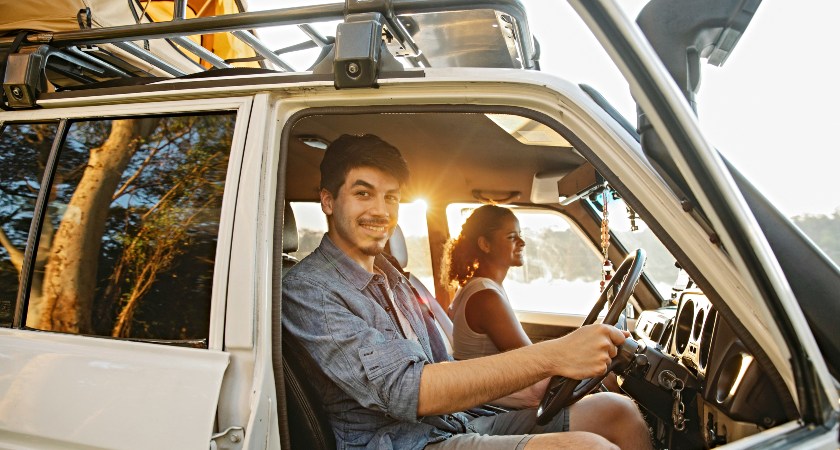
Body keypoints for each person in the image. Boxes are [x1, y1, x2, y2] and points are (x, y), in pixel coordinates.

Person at [282, 134, 652, 450]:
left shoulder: (392, 277)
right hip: (404, 442)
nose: (381, 211)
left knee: (615, 412)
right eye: (364, 194)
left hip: (451, 422)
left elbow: (440, 368)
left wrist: (526, 389)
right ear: (328, 201)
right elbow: (408, 389)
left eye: (391, 197)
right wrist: (555, 355)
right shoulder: (308, 289)